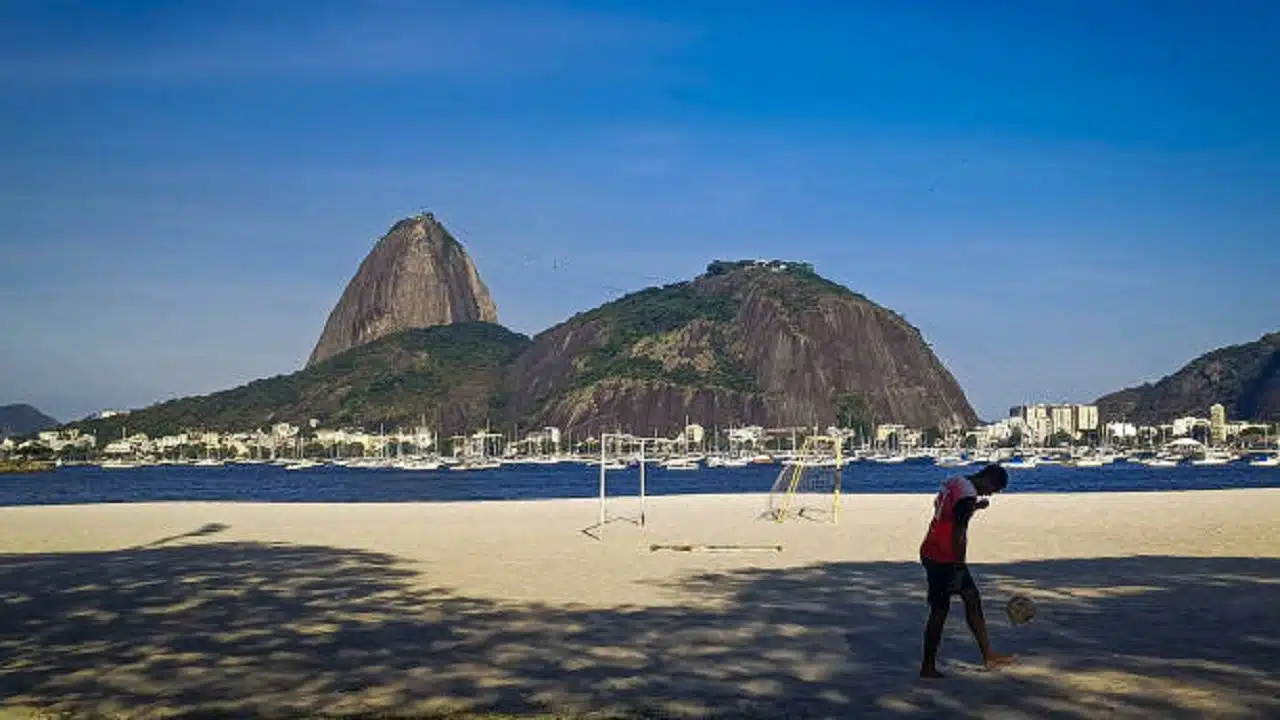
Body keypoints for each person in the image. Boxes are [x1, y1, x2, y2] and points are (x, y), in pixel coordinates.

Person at [918, 463, 1015, 678]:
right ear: (988, 479)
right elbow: (959, 533)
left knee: (971, 599)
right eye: (994, 489)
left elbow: (947, 510)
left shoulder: (956, 481)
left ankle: (988, 655)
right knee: (940, 610)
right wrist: (959, 566)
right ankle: (928, 665)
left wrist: (975, 507)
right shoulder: (967, 496)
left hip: (931, 548)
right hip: (944, 556)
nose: (991, 493)